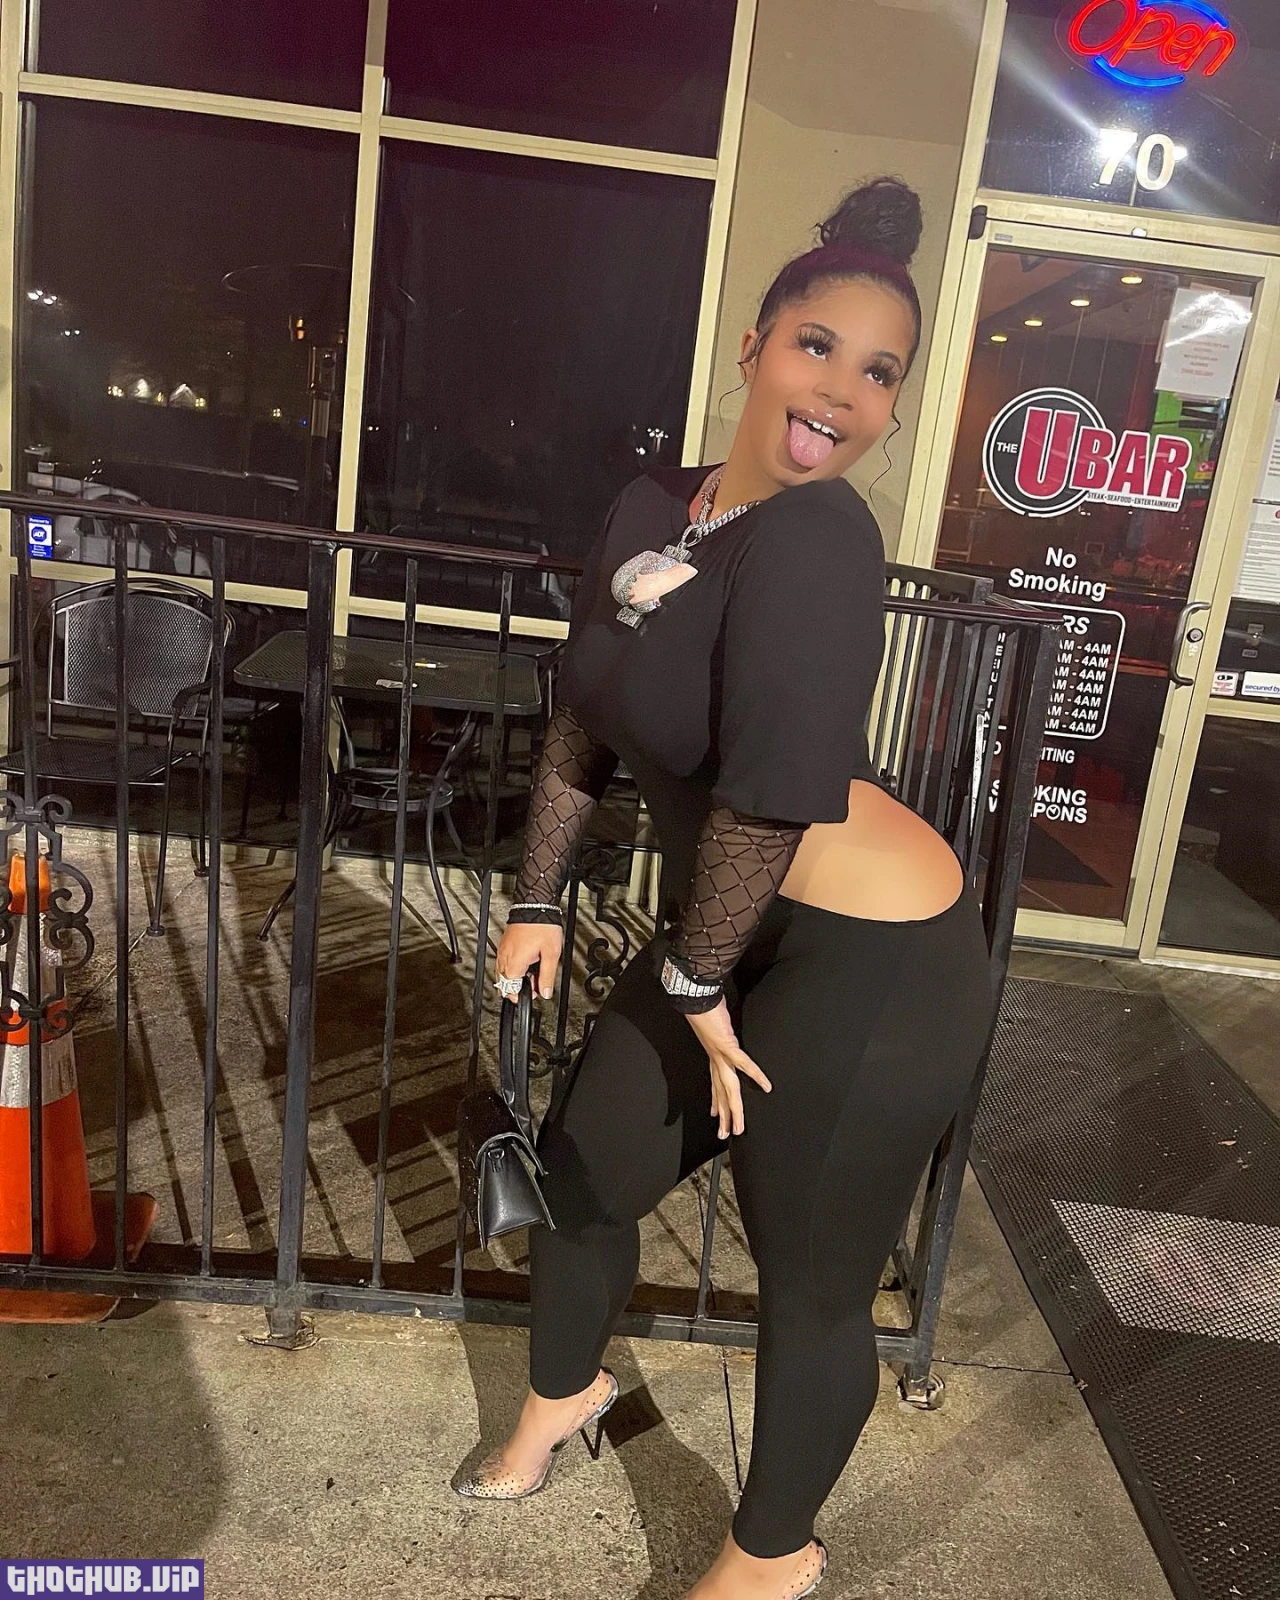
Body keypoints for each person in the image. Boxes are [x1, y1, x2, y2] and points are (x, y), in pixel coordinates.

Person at [454, 177, 995, 1600]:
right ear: (756, 344)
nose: (842, 393)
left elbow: (766, 797)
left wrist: (696, 982)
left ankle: (771, 1556)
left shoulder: (821, 539)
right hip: (727, 931)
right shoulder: (656, 507)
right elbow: (584, 720)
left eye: (879, 372)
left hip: (875, 960)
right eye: (818, 346)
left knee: (809, 1282)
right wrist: (537, 900)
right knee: (586, 1169)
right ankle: (565, 1395)